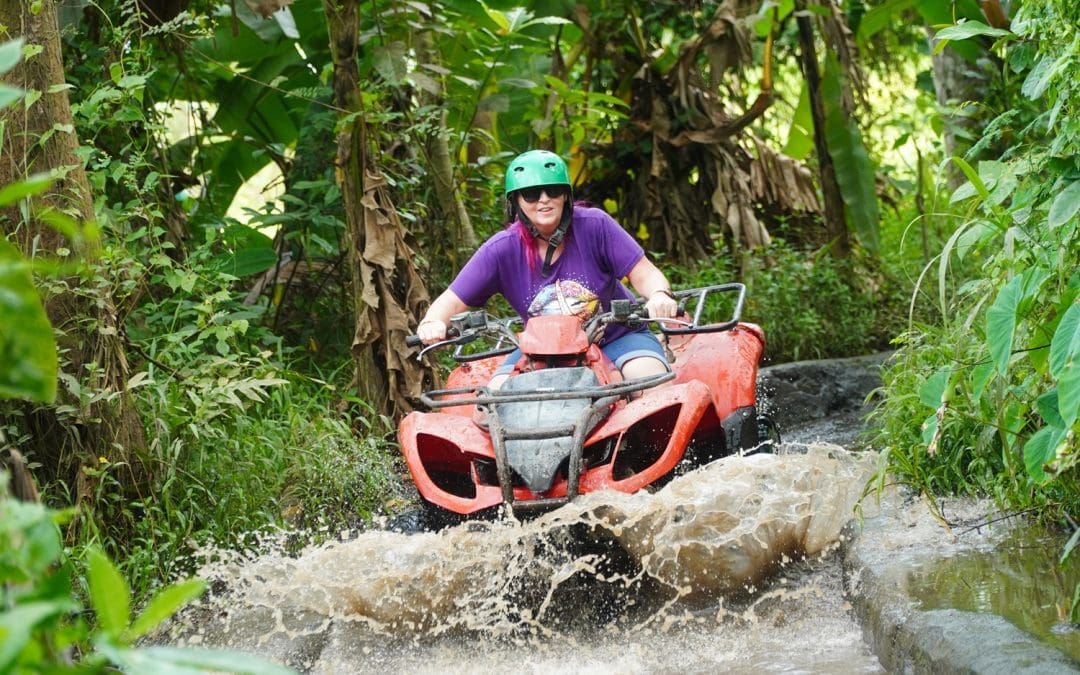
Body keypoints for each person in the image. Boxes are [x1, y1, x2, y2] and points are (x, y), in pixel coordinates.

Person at [416, 149, 678, 388]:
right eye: (531, 193)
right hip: (542, 352)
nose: (544, 200)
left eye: (553, 190)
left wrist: (659, 295)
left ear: (566, 195)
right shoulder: (502, 249)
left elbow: (645, 273)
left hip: (618, 338)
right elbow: (450, 301)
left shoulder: (595, 225)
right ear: (516, 201)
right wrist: (433, 322)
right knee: (495, 398)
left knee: (648, 380)